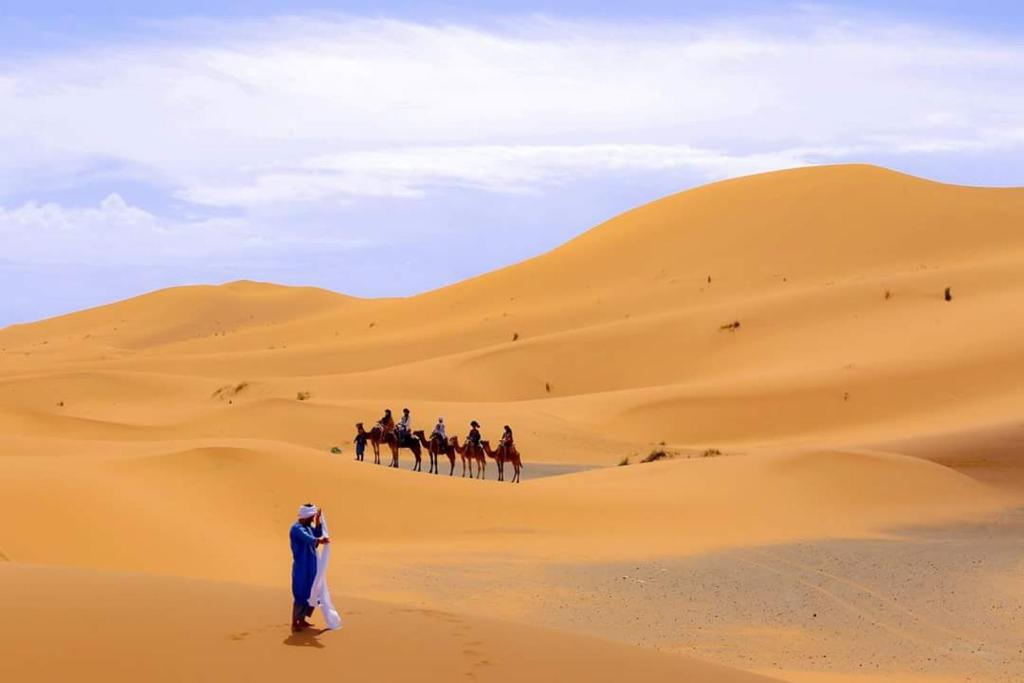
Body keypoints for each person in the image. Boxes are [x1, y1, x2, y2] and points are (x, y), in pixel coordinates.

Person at [290, 503, 329, 632]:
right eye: (312, 517)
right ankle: (295, 622)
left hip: (311, 565)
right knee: (300, 592)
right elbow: (309, 538)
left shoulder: (308, 527)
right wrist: (319, 541)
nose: (312, 519)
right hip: (302, 566)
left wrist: (318, 522)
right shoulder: (297, 529)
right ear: (306, 517)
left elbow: (316, 533)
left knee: (312, 591)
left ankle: (302, 619)